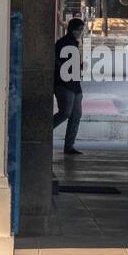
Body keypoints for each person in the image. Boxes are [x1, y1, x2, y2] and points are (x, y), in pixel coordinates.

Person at [52, 17, 86, 156]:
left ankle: (69, 145)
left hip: (75, 84)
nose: (80, 32)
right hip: (64, 84)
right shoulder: (62, 43)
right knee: (65, 112)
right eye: (78, 29)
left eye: (81, 30)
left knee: (76, 115)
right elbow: (59, 63)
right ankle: (42, 132)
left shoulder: (76, 44)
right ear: (71, 30)